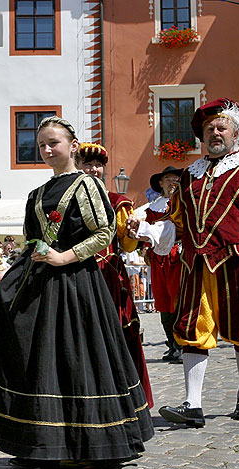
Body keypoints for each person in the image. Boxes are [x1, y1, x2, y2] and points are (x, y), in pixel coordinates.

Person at [0, 116, 153, 469]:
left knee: (77, 357)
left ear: (72, 145)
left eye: (54, 142)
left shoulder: (87, 185)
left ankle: (89, 442)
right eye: (42, 145)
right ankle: (38, 441)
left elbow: (104, 232)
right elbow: (31, 239)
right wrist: (11, 270)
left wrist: (65, 256)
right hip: (39, 283)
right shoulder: (37, 194)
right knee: (40, 360)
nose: (47, 149)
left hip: (76, 283)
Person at [129, 98, 239, 426]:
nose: (214, 132)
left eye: (221, 127)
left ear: (235, 132)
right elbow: (176, 223)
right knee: (190, 329)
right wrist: (143, 229)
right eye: (208, 128)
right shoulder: (189, 176)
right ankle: (192, 404)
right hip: (196, 265)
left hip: (238, 262)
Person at [78, 142, 153, 408]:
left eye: (98, 165)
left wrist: (133, 232)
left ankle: (123, 392)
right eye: (88, 164)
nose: (94, 169)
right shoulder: (67, 199)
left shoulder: (117, 202)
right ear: (77, 166)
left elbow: (129, 245)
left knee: (117, 334)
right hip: (77, 276)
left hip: (107, 276)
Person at [139, 165, 185, 363]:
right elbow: (148, 234)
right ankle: (172, 344)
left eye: (176, 178)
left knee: (179, 299)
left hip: (178, 256)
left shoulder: (184, 204)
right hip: (158, 258)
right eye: (168, 178)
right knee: (163, 302)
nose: (173, 181)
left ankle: (184, 343)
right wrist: (145, 247)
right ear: (160, 183)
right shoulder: (153, 208)